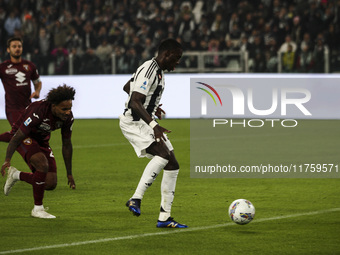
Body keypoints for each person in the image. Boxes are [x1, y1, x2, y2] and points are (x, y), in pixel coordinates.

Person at [119, 38, 187, 228]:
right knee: (164, 156)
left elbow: (127, 87)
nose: (178, 62)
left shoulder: (158, 72)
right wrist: (152, 123)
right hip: (134, 122)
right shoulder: (150, 68)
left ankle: (165, 218)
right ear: (166, 54)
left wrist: (149, 106)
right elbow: (134, 101)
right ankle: (135, 199)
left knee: (173, 164)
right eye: (177, 57)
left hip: (143, 120)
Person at [1, 85, 76, 219]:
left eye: (70, 108)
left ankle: (16, 175)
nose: (68, 112)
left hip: (42, 140)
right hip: (23, 136)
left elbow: (67, 145)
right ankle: (38, 209)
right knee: (42, 164)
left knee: (50, 183)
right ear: (53, 105)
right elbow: (17, 137)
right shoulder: (38, 111)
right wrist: (7, 160)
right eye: (64, 109)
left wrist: (69, 173)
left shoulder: (68, 119)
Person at [0, 37, 42, 141]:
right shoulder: (3, 67)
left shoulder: (29, 65)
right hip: (12, 108)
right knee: (21, 133)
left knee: (27, 134)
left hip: (28, 107)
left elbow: (38, 82)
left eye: (19, 46)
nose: (17, 48)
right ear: (8, 49)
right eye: (14, 46)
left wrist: (37, 91)